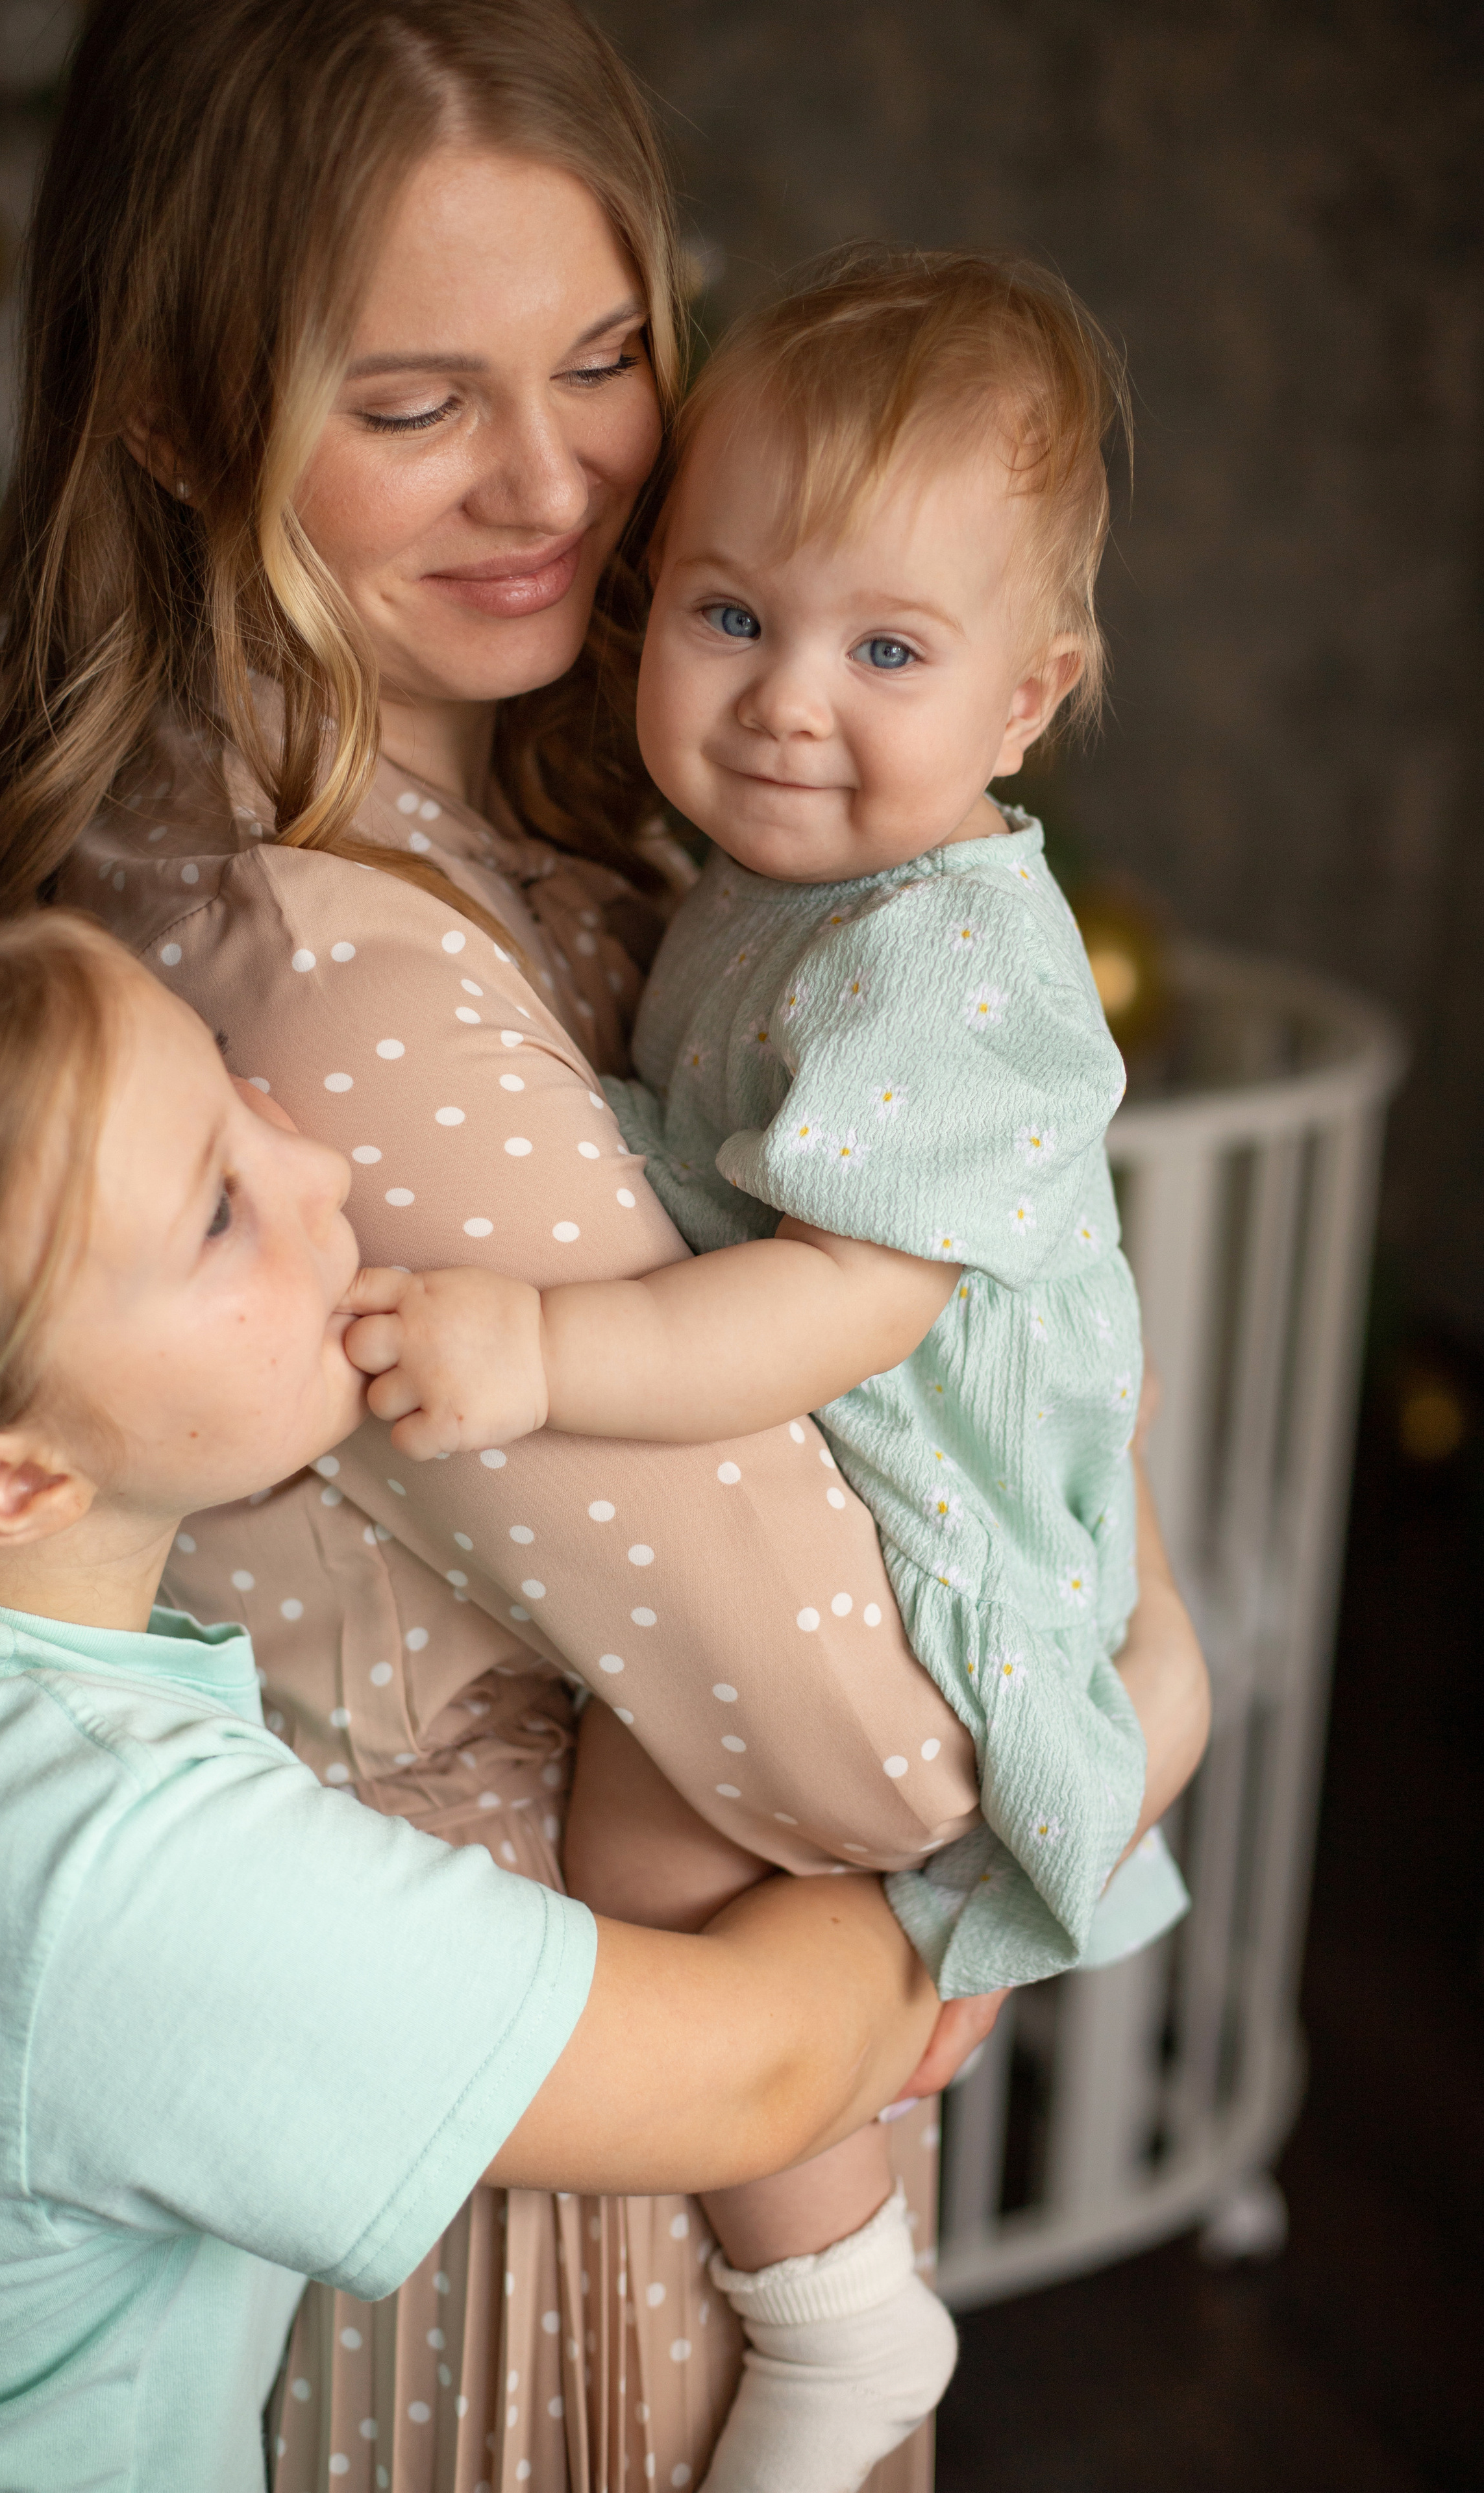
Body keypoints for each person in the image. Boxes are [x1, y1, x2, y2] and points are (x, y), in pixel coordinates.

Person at [0, 3, 1206, 2483]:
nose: (554, 483)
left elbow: (977, 1316)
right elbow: (872, 1732)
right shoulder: (327, 978)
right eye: (413, 402)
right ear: (187, 417)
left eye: (607, 355)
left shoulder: (612, 814)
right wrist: (1150, 1692)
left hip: (680, 2081)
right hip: (544, 2172)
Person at [350, 247, 1209, 2493]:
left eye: (889, 651)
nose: (786, 703)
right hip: (889, 1489)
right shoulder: (778, 875)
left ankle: (829, 2307)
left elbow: (842, 1298)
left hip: (946, 1534)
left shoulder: (943, 964)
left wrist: (542, 1346)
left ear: (1031, 699)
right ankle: (913, 2041)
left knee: (640, 1836)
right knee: (689, 1854)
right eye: (730, 617)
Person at [0, 902, 961, 2493]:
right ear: (14, 1480)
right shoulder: (94, 1870)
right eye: (216, 1211)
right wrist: (958, 1908)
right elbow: (755, 2073)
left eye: (232, 1078)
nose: (325, 1168)